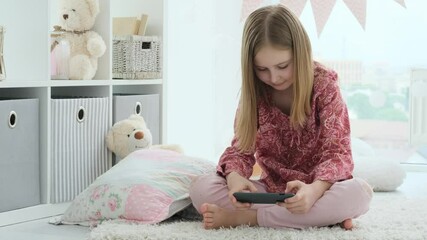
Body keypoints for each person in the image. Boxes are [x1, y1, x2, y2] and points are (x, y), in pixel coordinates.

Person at [189, 4, 373, 230]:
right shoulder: (256, 93)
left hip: (321, 189)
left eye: (282, 66)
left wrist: (314, 191)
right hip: (272, 191)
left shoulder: (324, 86)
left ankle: (250, 219)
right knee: (201, 188)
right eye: (262, 69)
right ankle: (319, 219)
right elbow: (240, 150)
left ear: (300, 53)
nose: (274, 78)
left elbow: (338, 153)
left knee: (359, 193)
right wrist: (235, 179)